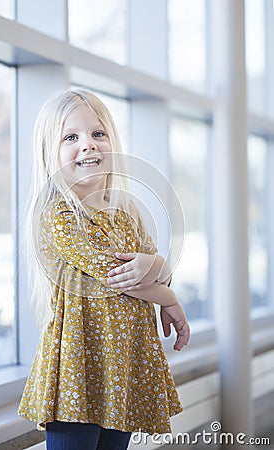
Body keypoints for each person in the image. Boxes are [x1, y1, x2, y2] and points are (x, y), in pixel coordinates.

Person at [17, 89, 190, 450]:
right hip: (77, 371)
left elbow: (155, 268)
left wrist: (158, 265)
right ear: (50, 153)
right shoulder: (58, 216)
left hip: (122, 367)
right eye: (71, 137)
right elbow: (118, 276)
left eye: (98, 134)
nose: (88, 146)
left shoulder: (126, 213)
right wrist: (168, 295)